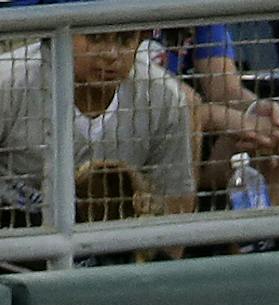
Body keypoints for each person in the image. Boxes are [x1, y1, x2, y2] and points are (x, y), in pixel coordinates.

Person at [0, 30, 196, 225]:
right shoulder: (8, 82)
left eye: (124, 39)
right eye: (95, 38)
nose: (111, 54)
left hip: (116, 242)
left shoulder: (163, 96)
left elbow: (177, 205)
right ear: (63, 34)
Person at [155, 23, 279, 208]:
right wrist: (242, 122)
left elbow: (224, 89)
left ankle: (272, 234)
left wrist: (259, 112)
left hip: (198, 136)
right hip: (141, 137)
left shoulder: (199, 10)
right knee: (188, 109)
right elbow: (180, 103)